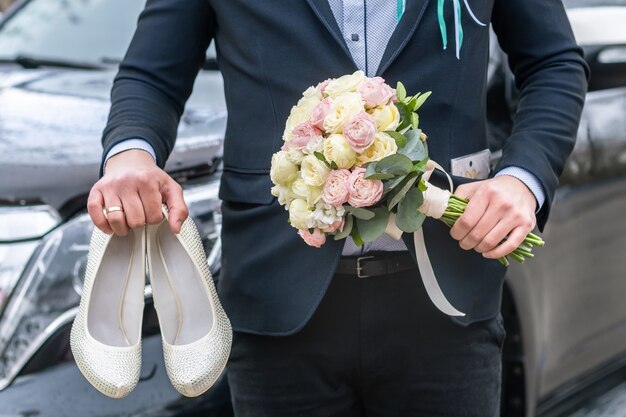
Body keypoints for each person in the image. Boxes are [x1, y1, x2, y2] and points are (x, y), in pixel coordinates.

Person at [88, 1, 588, 415]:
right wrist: (131, 153)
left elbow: (553, 63)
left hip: (449, 294)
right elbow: (152, 75)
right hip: (278, 296)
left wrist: (523, 181)